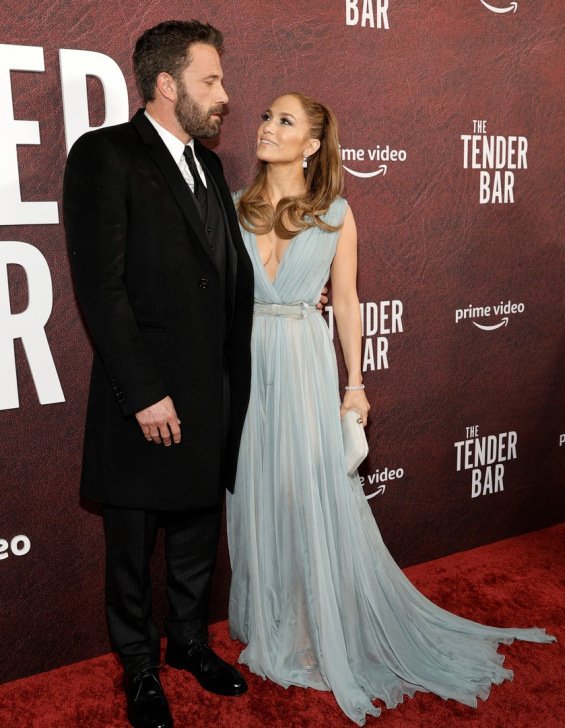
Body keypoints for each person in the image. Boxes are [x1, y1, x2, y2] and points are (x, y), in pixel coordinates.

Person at [226, 92, 556, 725]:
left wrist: (355, 385)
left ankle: (313, 626)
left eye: (284, 121)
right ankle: (275, 618)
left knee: (307, 493)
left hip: (301, 362)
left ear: (313, 144)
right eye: (266, 116)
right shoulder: (232, 207)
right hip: (244, 368)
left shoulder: (336, 214)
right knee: (259, 492)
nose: (267, 127)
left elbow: (346, 304)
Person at [64, 20, 255, 728]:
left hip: (209, 391)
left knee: (198, 534)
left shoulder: (207, 165)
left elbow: (218, 274)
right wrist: (142, 392)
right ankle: (139, 665)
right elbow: (100, 287)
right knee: (133, 540)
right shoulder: (104, 155)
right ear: (167, 83)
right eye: (211, 80)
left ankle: (188, 644)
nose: (224, 95)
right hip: (142, 396)